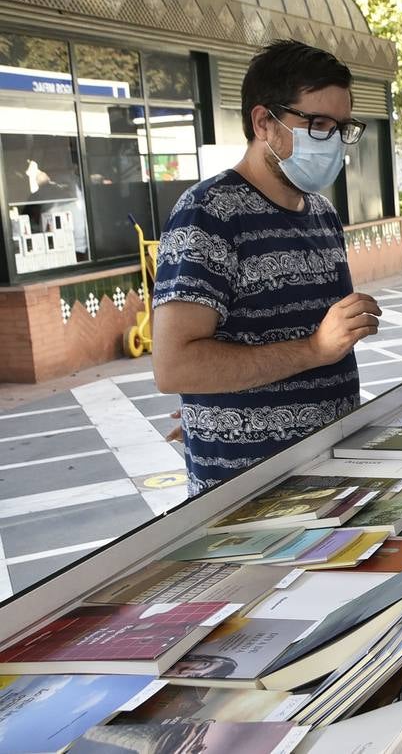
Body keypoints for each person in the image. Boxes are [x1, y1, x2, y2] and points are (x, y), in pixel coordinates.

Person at [152, 39, 381, 495]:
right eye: (317, 124)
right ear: (264, 122)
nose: (332, 140)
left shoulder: (321, 213)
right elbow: (174, 366)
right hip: (251, 499)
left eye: (341, 127)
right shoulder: (208, 213)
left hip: (330, 478)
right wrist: (316, 348)